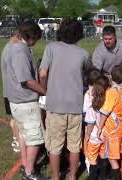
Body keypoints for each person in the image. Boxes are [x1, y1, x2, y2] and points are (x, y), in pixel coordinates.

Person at [39, 19, 92, 180]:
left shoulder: (51, 48)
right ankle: (73, 175)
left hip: (55, 106)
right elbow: (89, 76)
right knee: (74, 145)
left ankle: (56, 177)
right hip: (76, 105)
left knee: (55, 146)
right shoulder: (83, 53)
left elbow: (42, 73)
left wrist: (45, 91)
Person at [5, 22, 45, 180]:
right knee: (35, 139)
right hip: (25, 103)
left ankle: (25, 164)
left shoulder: (17, 49)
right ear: (31, 36)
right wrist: (45, 91)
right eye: (36, 38)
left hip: (19, 102)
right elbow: (26, 81)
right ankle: (29, 173)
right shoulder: (20, 51)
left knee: (23, 135)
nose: (37, 41)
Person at [84, 74, 110, 180]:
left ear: (94, 86)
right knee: (103, 157)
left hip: (94, 136)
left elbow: (90, 123)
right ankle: (103, 176)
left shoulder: (92, 106)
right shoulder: (109, 101)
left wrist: (87, 135)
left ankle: (93, 177)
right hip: (106, 134)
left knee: (92, 159)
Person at [0, 29, 21, 153]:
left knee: (15, 118)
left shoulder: (8, 48)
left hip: (9, 90)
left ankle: (16, 139)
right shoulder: (12, 50)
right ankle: (17, 140)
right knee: (16, 119)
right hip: (12, 91)